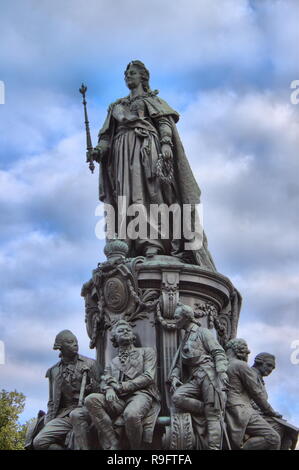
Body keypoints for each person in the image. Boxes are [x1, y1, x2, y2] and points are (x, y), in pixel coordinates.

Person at [89, 60, 215, 269]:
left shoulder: (153, 101)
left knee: (149, 193)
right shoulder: (117, 107)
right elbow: (106, 137)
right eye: (126, 73)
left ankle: (152, 243)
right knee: (124, 198)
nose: (128, 76)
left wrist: (166, 143)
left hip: (146, 148)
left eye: (132, 73)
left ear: (143, 77)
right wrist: (99, 151)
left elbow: (164, 122)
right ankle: (127, 243)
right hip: (121, 153)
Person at [84, 320, 160, 450]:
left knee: (131, 415)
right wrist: (108, 390)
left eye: (128, 330)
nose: (125, 331)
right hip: (119, 399)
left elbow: (148, 377)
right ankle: (114, 442)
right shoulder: (112, 362)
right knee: (91, 400)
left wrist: (122, 386)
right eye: (121, 330)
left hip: (142, 395)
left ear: (133, 336)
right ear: (114, 339)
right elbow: (104, 381)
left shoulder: (146, 352)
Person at [168, 303, 228, 450]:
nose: (175, 321)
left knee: (213, 416)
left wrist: (221, 371)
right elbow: (179, 364)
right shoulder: (185, 338)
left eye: (177, 318)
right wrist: (175, 377)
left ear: (186, 317)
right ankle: (210, 410)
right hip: (195, 378)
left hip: (209, 375)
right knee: (177, 397)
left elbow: (218, 352)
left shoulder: (203, 332)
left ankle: (213, 447)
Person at [33, 330, 100, 450]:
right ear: (60, 347)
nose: (75, 344)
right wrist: (48, 421)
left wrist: (92, 386)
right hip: (64, 415)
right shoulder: (54, 371)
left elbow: (102, 390)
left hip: (86, 411)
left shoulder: (91, 364)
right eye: (70, 342)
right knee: (39, 442)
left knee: (77, 421)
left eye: (76, 342)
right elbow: (52, 401)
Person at [225, 339, 281, 450]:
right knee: (273, 438)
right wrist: (271, 412)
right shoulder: (241, 365)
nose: (247, 353)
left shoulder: (223, 364)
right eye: (269, 366)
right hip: (241, 409)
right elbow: (256, 393)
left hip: (235, 407)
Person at [251, 352, 299, 450]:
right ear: (259, 361)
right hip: (250, 412)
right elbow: (253, 399)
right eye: (268, 365)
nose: (270, 370)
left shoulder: (260, 379)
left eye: (272, 368)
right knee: (279, 428)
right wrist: (270, 412)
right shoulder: (250, 374)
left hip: (261, 413)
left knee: (289, 436)